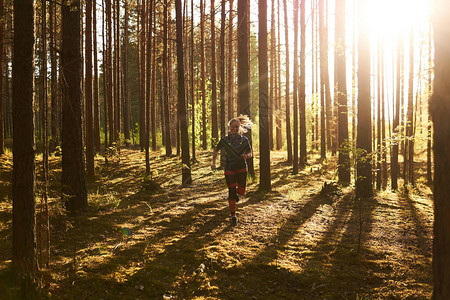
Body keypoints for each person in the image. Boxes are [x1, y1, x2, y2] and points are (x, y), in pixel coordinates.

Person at [211, 115, 253, 226]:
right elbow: (216, 150)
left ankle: (237, 194)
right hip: (229, 167)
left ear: (240, 128)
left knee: (242, 192)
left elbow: (250, 153)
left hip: (242, 167)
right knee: (231, 192)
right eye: (233, 127)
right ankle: (233, 216)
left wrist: (247, 156)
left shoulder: (244, 140)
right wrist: (213, 162)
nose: (235, 129)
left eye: (237, 127)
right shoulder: (224, 140)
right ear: (229, 128)